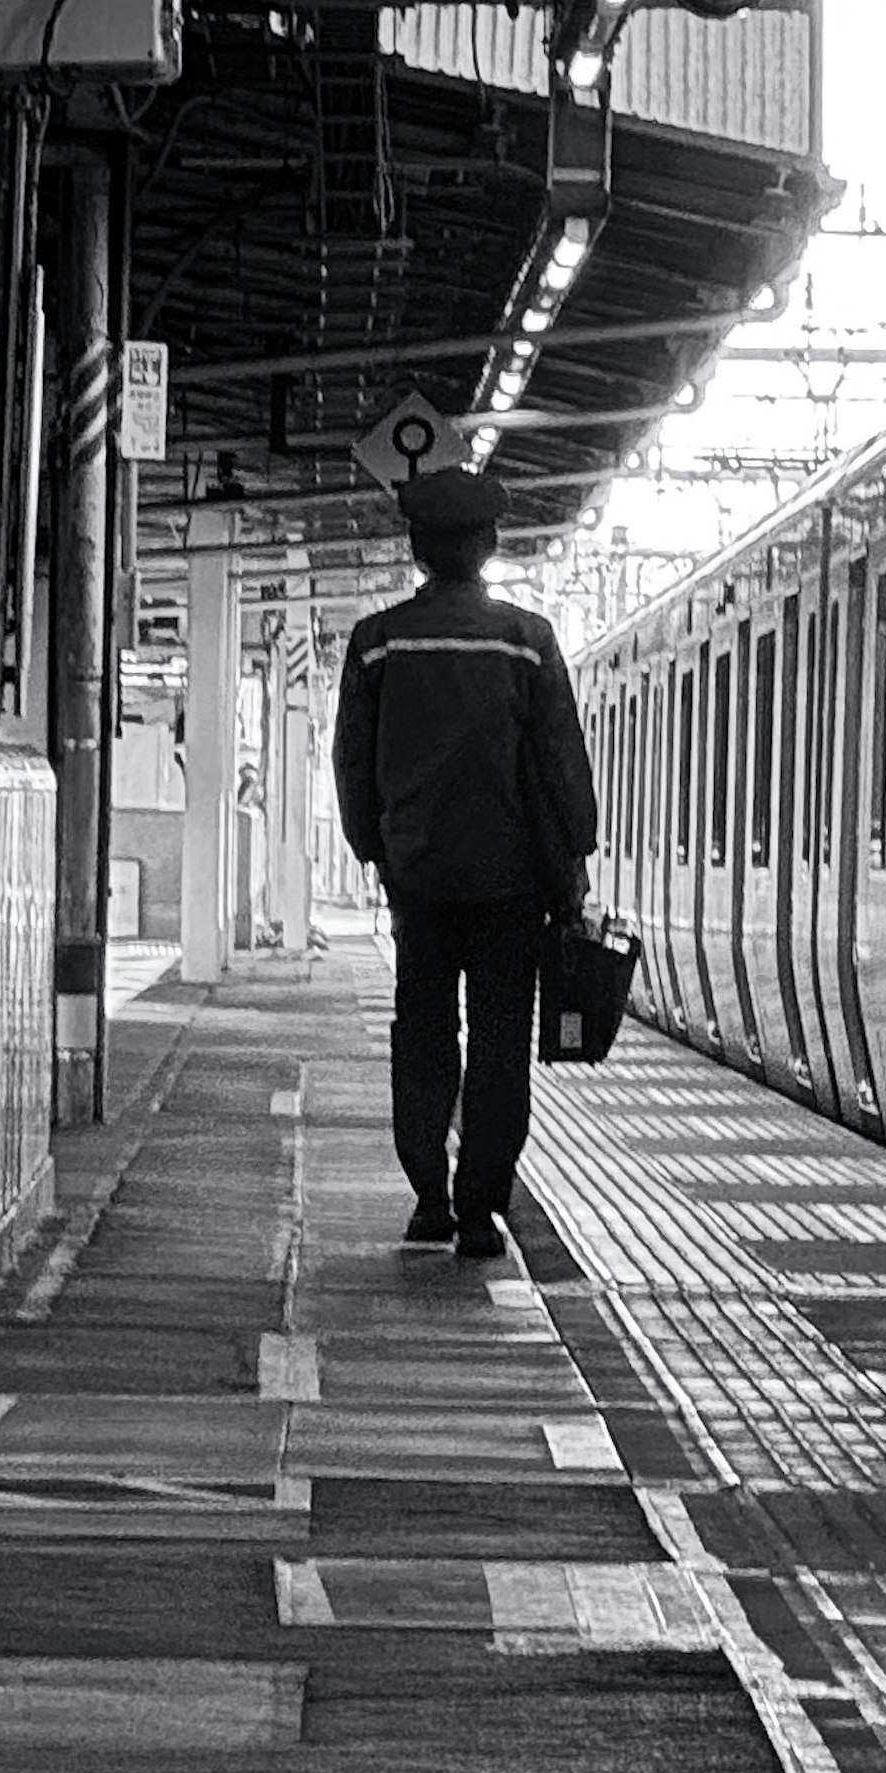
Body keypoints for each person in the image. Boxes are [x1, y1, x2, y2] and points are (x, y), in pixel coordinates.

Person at [330, 461, 596, 1261]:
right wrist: (572, 861)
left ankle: (428, 1196)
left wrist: (375, 848)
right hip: (511, 883)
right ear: (488, 545)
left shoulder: (377, 644)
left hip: (418, 879)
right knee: (499, 1038)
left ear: (417, 550)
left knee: (423, 1030)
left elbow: (352, 761)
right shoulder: (527, 641)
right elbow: (561, 762)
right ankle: (481, 1208)